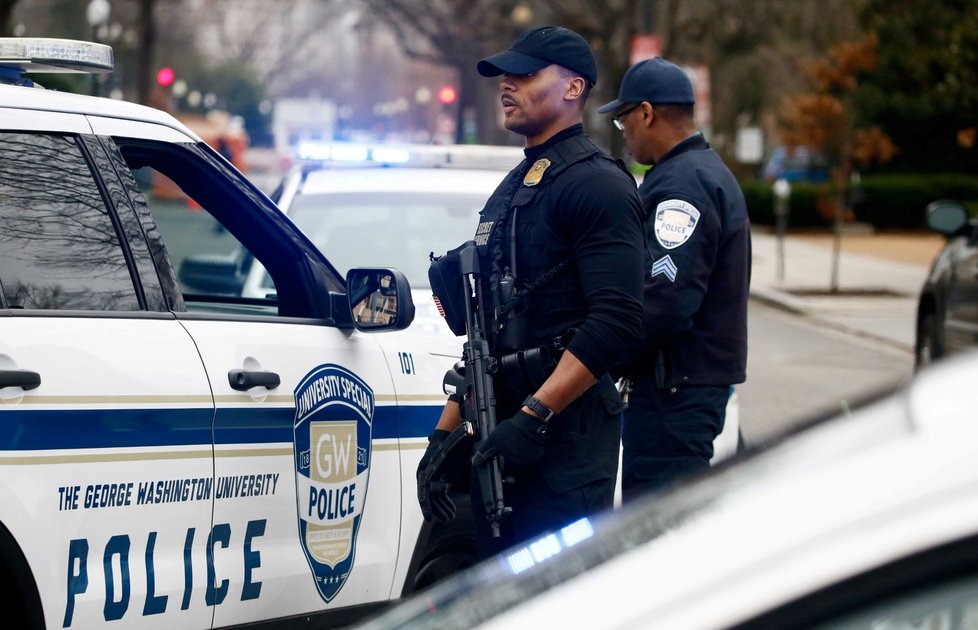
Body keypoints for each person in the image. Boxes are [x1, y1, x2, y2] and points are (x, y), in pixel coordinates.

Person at [417, 26, 645, 556]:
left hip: (563, 448)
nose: (507, 85)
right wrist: (442, 435)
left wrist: (535, 415)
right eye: (505, 76)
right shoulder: (517, 182)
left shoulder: (599, 185)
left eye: (524, 74)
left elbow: (616, 319)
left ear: (573, 89)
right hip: (502, 436)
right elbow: (486, 336)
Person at [597, 57, 751, 501]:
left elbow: (664, 300)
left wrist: (600, 362)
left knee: (659, 527)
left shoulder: (682, 185)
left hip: (674, 393)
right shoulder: (700, 172)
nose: (623, 131)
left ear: (647, 113)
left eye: (624, 119)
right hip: (685, 388)